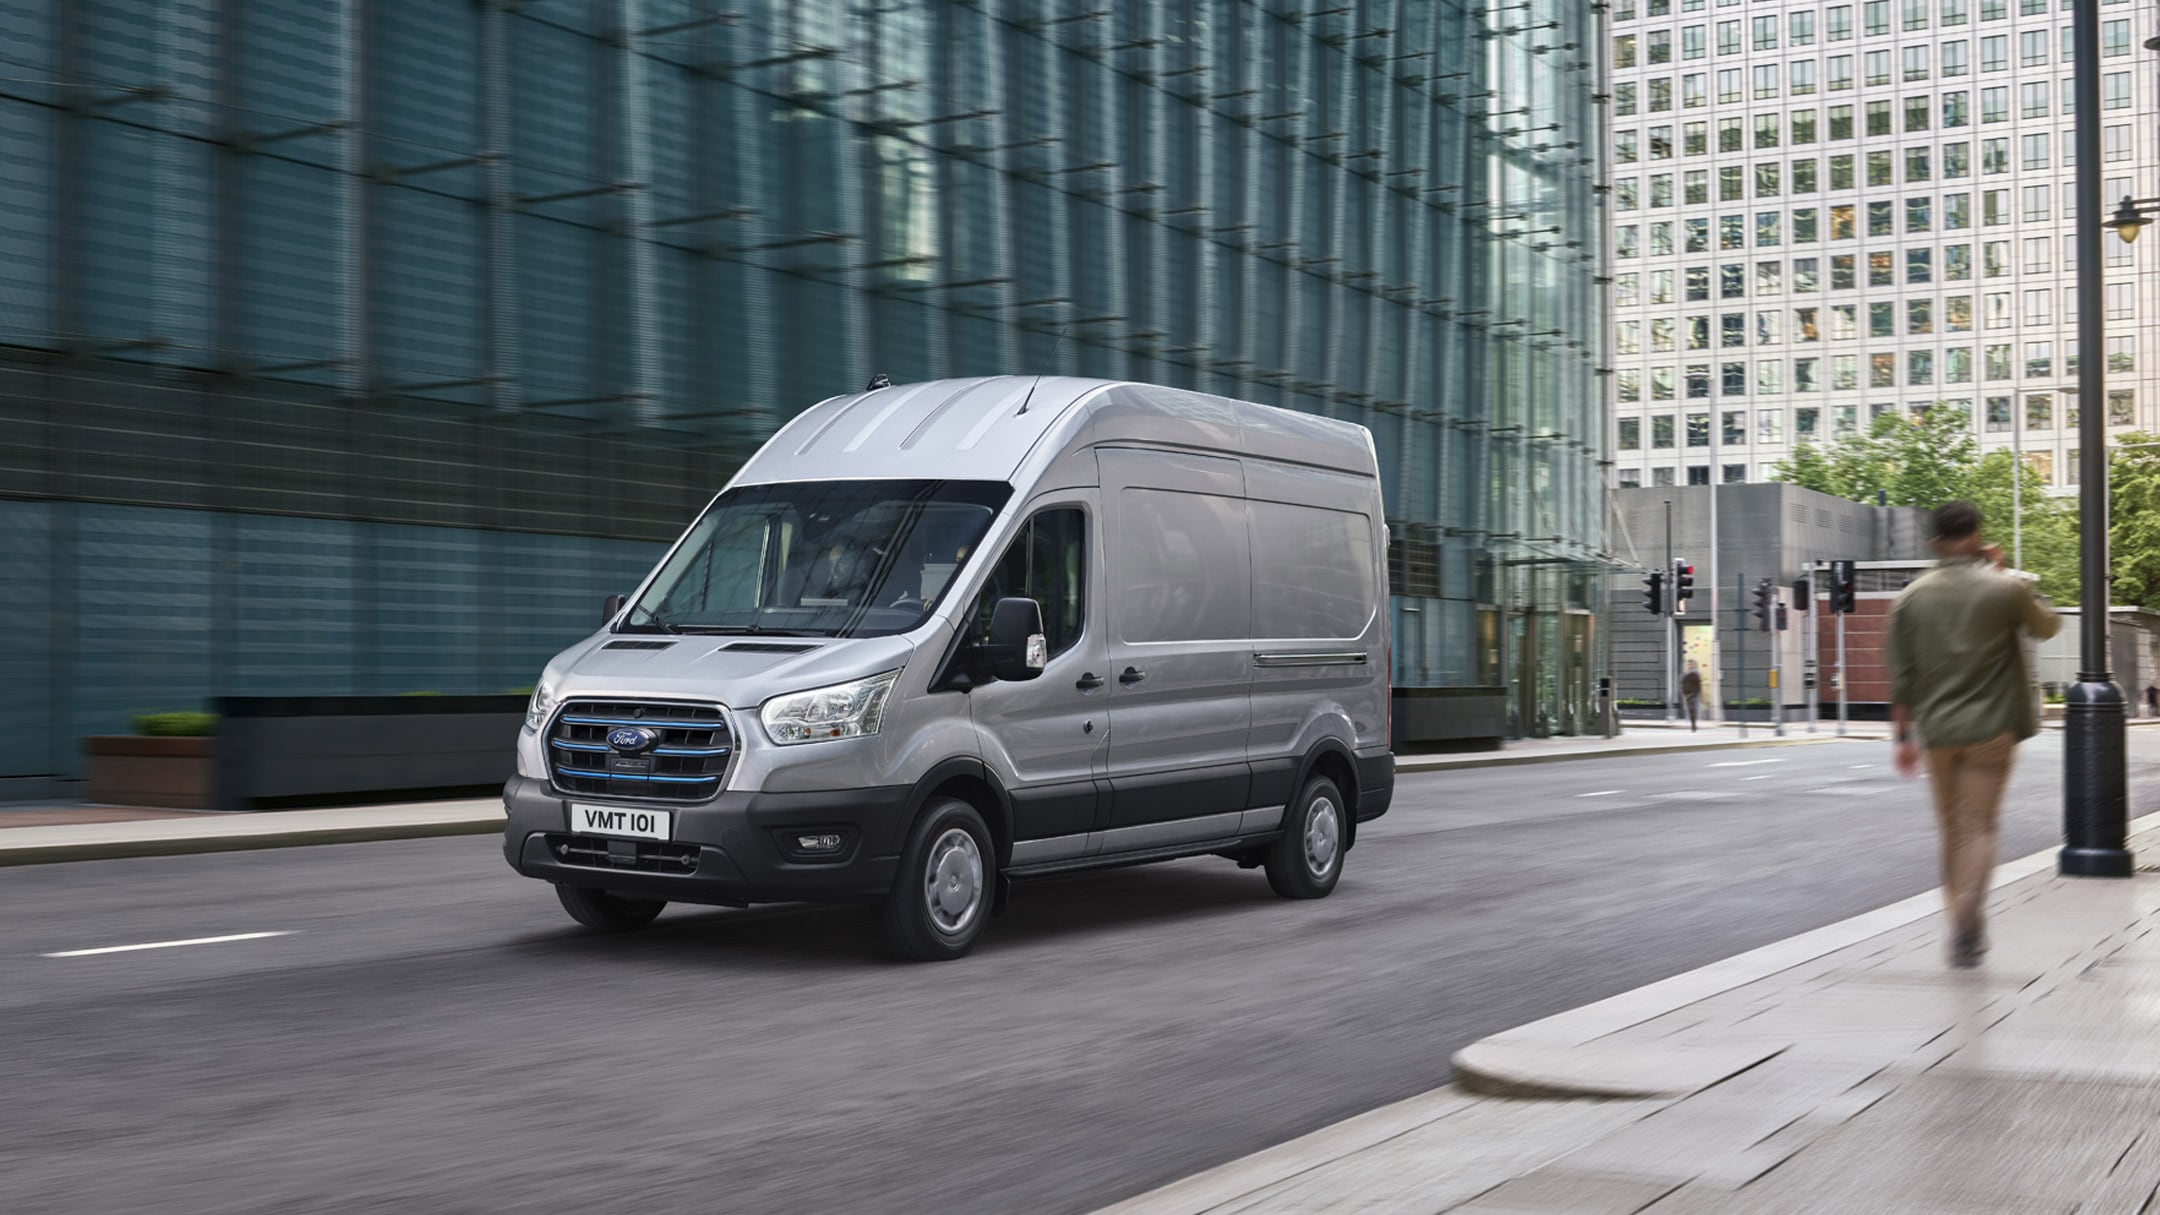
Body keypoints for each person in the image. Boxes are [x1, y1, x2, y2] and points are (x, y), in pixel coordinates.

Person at [1887, 501, 2060, 968]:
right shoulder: (2004, 588)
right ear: (1979, 534)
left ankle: (1956, 922)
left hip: (1938, 731)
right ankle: (1970, 914)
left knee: (1951, 830)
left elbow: (1902, 677)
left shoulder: (1911, 598)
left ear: (1935, 543)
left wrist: (1901, 737)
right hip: (1992, 729)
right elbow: (2047, 625)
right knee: (1980, 825)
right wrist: (2005, 575)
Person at [1680, 661, 1702, 731]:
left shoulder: (1695, 674)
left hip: (1693, 695)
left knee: (1692, 709)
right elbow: (1683, 684)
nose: (1690, 666)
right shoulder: (1685, 674)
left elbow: (1698, 685)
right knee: (1690, 710)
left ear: (1694, 665)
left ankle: (1693, 725)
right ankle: (1692, 724)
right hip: (1687, 695)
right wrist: (1684, 693)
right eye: (1689, 664)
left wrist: (1695, 693)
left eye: (1691, 664)